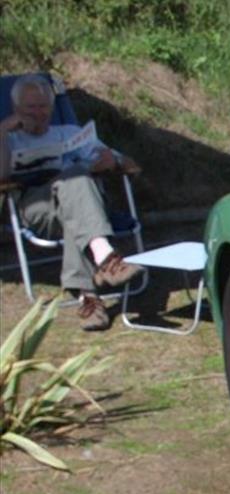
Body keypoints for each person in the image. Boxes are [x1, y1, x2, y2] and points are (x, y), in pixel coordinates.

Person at [0, 74, 144, 331]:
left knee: (76, 197)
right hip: (36, 208)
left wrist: (111, 160)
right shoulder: (8, 139)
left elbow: (129, 163)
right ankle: (106, 257)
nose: (38, 113)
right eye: (30, 108)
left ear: (52, 108)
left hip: (80, 210)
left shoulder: (69, 133)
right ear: (16, 109)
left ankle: (89, 299)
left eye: (43, 106)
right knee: (76, 183)